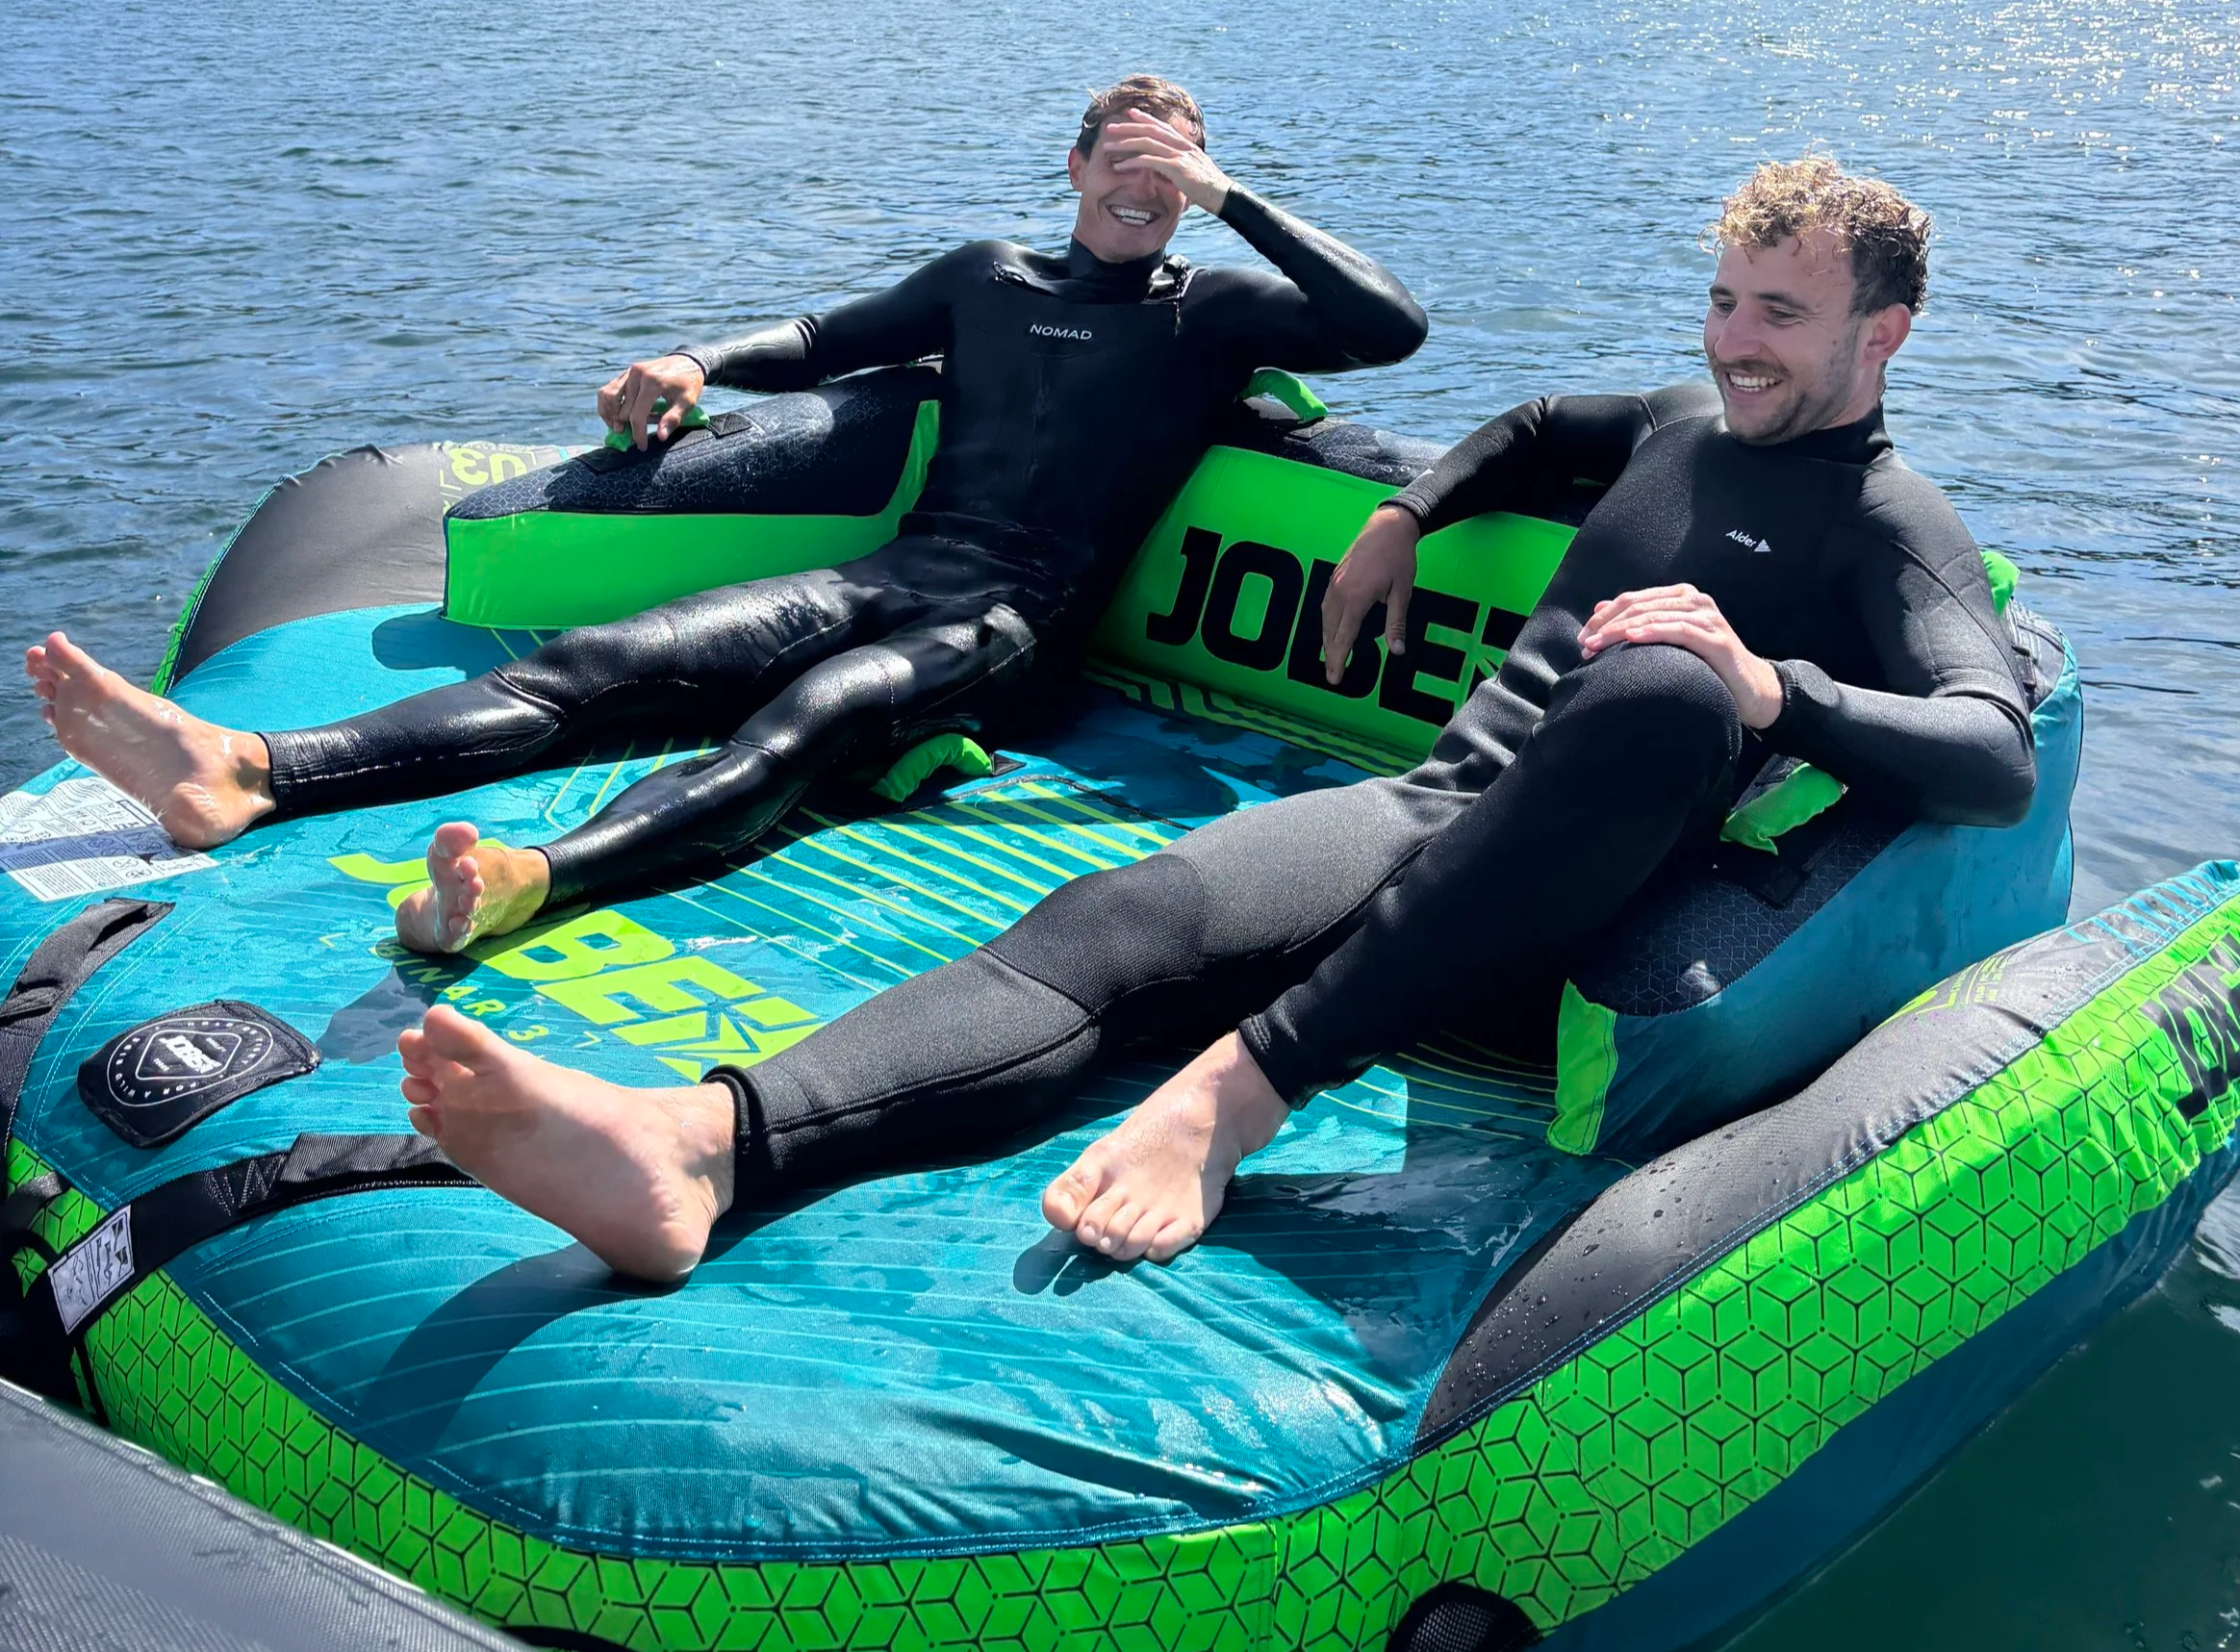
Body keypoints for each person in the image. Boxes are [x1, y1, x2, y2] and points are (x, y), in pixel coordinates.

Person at [387, 154, 2036, 1285]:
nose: (1734, 343)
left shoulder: (1890, 527)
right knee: (1122, 915)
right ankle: (696, 1146)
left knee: (1672, 677)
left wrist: (1772, 687)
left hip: (1577, 896)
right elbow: (1537, 426)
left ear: (1882, 335)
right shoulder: (1684, 422)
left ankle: (1241, 1092)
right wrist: (1406, 517)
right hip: (1435, 811)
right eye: (1726, 301)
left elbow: (1993, 748)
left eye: (1781, 318)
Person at [24, 76, 1428, 957]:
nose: (1149, 178)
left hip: (1012, 631)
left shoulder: (1212, 310)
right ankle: (250, 769)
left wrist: (1236, 198)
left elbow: (1393, 327)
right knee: (602, 664)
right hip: (891, 571)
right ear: (1073, 171)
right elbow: (824, 336)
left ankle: (530, 880)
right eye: (1126, 152)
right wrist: (697, 360)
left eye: (1176, 165)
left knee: (804, 726)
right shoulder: (985, 277)